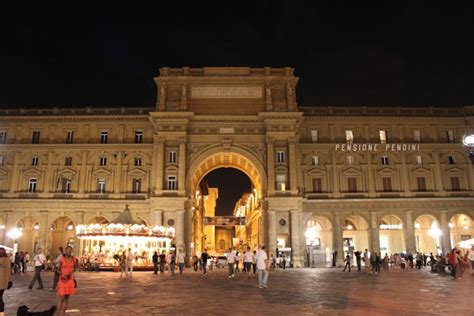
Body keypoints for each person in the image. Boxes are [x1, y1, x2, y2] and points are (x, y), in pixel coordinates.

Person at [56, 246, 77, 316]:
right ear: (65, 251)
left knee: (66, 299)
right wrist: (63, 275)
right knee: (61, 298)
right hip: (62, 279)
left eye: (70, 250)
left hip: (70, 279)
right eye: (68, 250)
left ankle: (63, 314)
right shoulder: (62, 259)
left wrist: (70, 273)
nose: (69, 251)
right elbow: (58, 269)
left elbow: (75, 268)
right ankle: (58, 314)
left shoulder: (74, 259)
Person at [0, 247, 11, 316]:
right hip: (4, 283)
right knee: (0, 297)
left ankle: (1, 313)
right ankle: (2, 313)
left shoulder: (1, 260)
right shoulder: (7, 259)